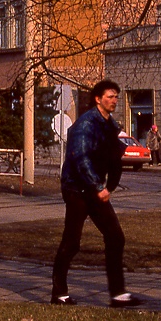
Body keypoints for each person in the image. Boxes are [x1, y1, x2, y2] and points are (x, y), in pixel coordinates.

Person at [51, 79, 142, 308]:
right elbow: (80, 158)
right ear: (98, 99)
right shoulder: (85, 125)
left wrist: (110, 185)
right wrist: (98, 186)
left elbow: (113, 155)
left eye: (116, 97)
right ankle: (59, 293)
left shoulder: (109, 125)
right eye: (110, 97)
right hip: (77, 190)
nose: (114, 101)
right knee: (71, 243)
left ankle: (118, 294)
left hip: (94, 190)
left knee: (115, 237)